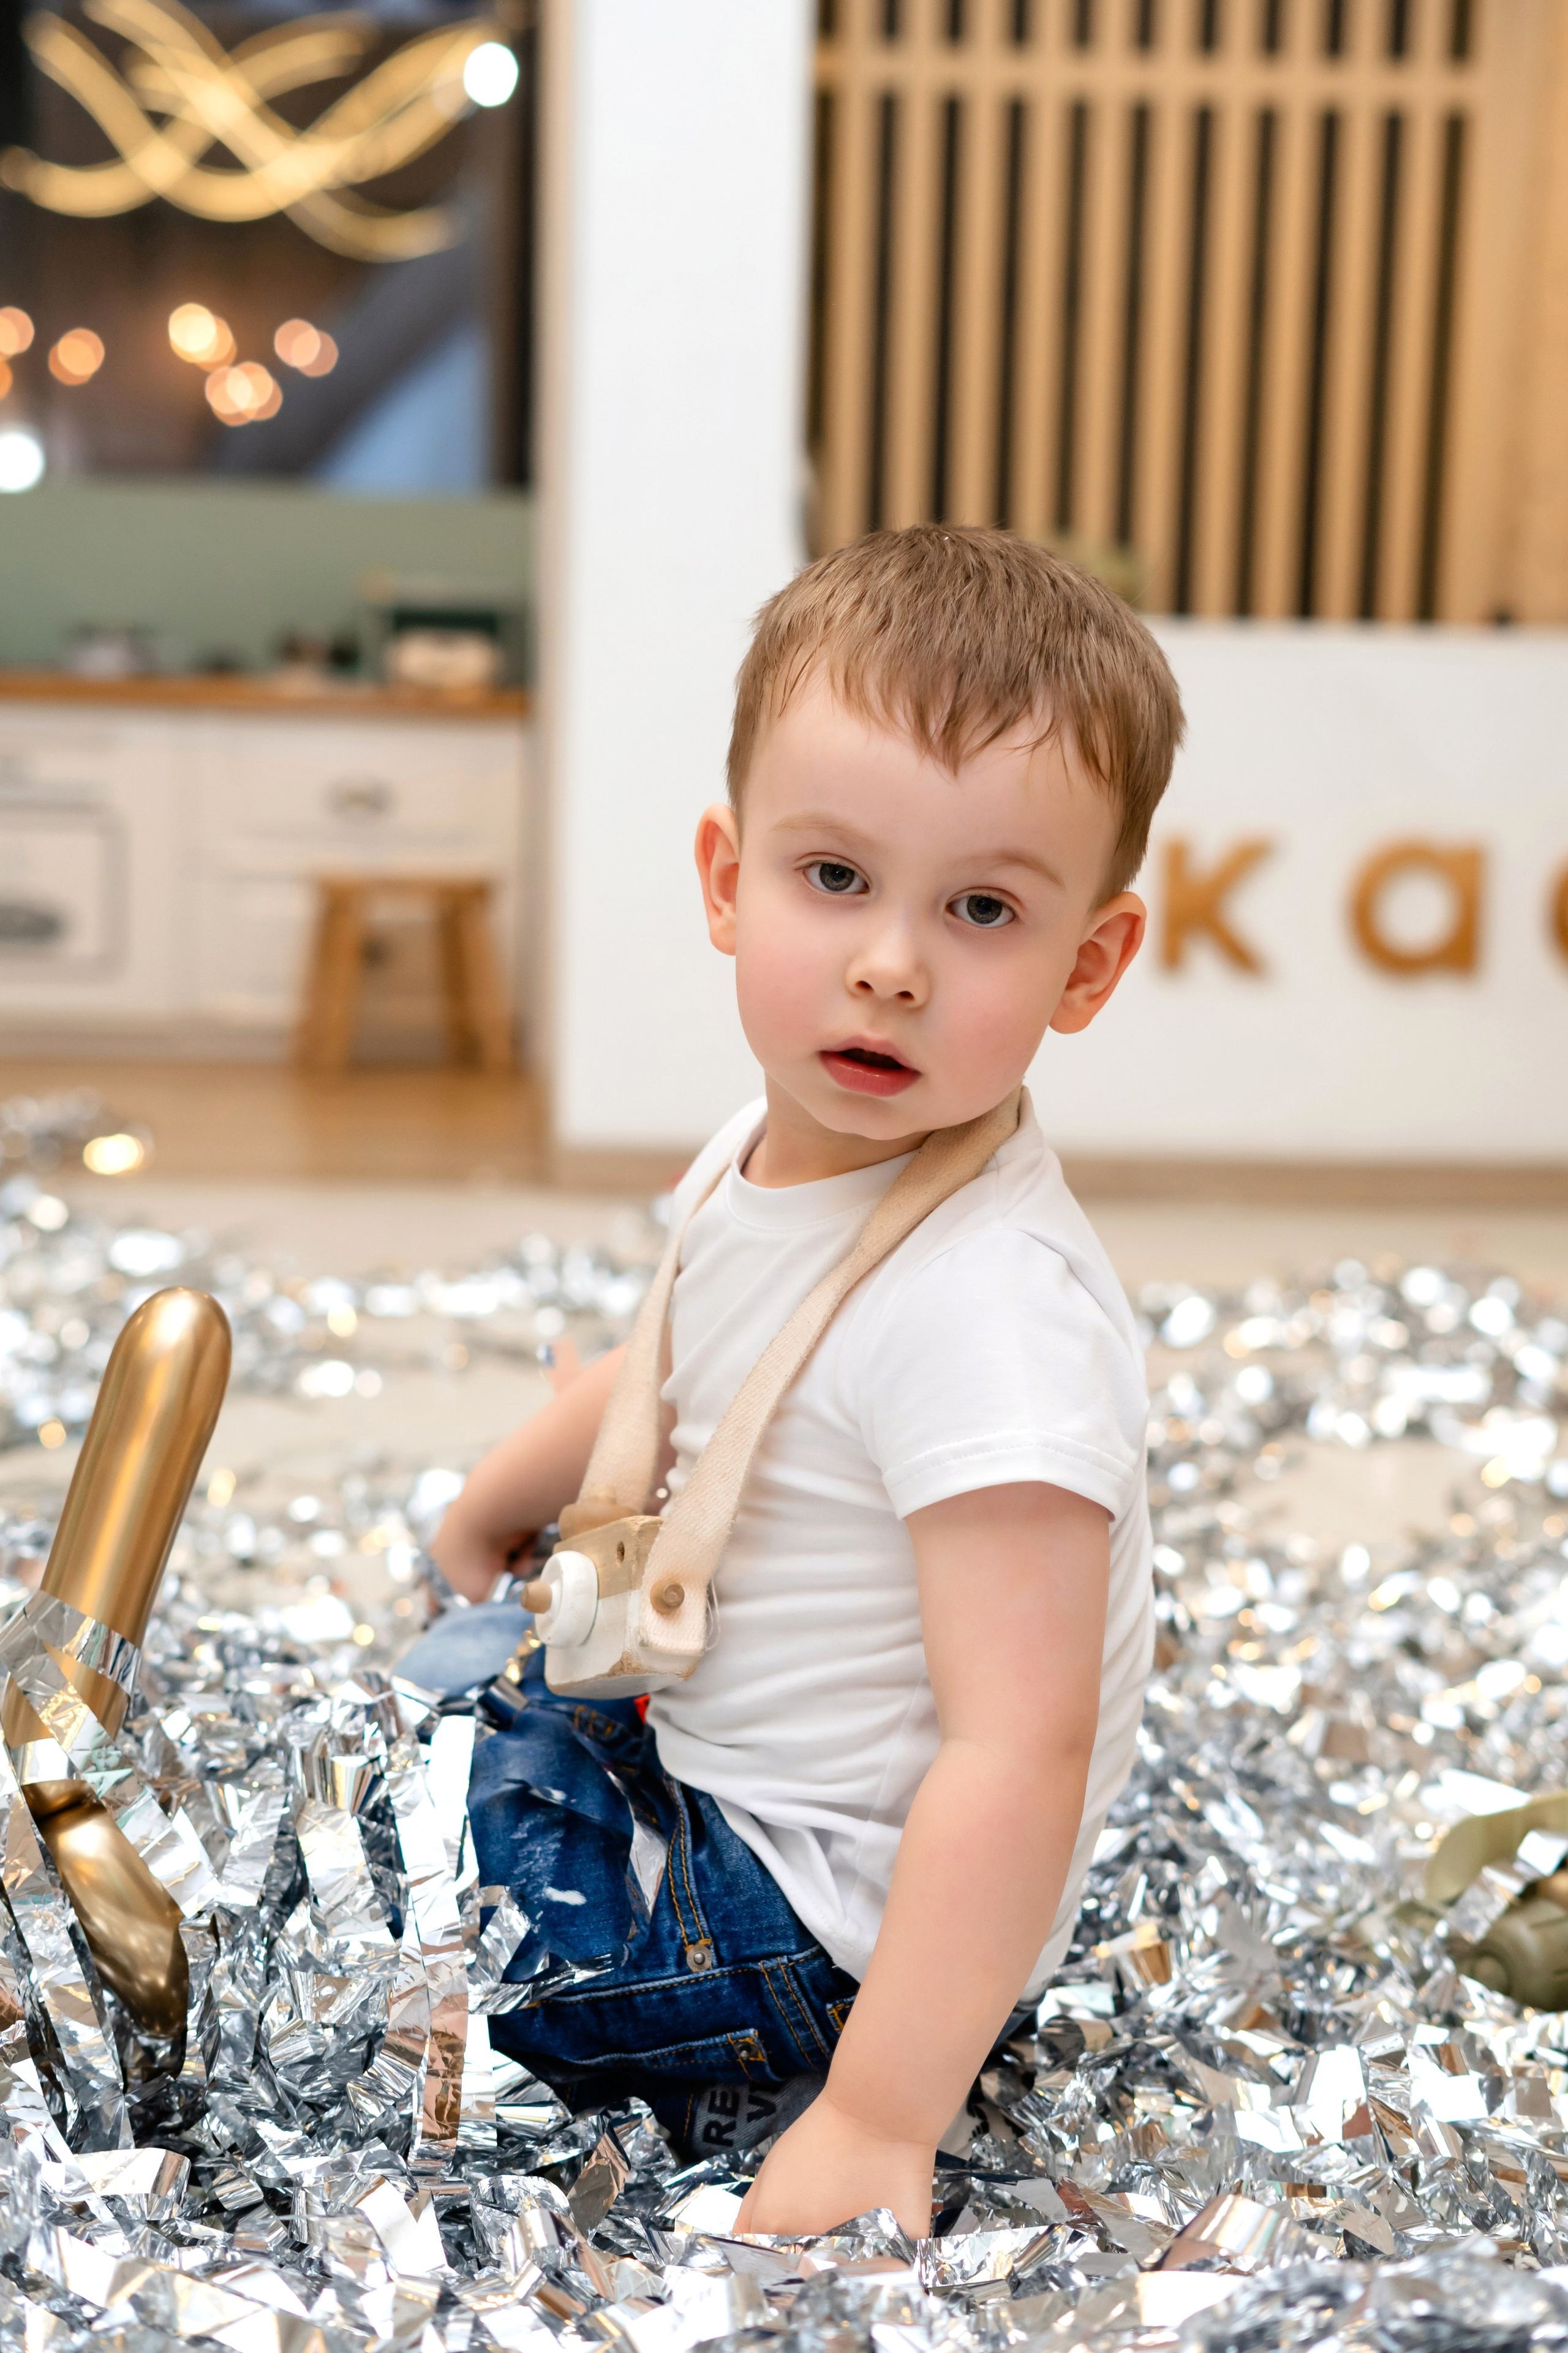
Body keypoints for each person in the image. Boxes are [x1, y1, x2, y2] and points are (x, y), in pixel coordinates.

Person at [427, 524, 1183, 2238]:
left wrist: (877, 2115)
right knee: (473, 1669)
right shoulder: (768, 1145)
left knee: (408, 1833)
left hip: (805, 1931)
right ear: (725, 877)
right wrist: (480, 1517)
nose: (891, 961)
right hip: (702, 1763)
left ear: (1086, 965)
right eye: (834, 877)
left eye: (981, 908)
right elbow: (670, 1366)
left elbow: (1020, 1744)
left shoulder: (991, 1314)